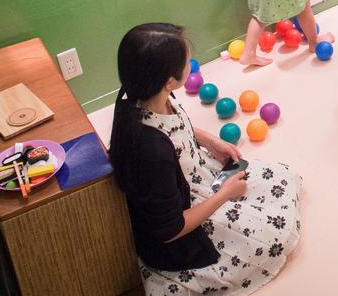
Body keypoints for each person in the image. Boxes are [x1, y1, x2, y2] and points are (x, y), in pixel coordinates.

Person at [109, 23, 301, 295]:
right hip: (187, 222)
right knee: (273, 238)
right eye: (188, 62)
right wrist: (224, 194)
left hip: (195, 174)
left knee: (282, 175)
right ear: (169, 81)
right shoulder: (153, 152)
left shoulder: (141, 94)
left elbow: (173, 125)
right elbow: (170, 230)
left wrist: (210, 141)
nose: (192, 64)